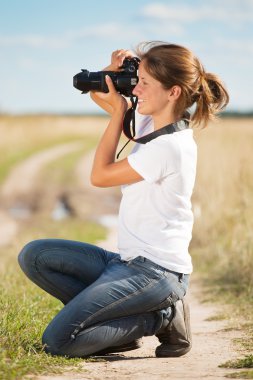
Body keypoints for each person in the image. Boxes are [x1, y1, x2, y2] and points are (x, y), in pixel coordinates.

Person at [18, 42, 229, 358]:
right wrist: (110, 72)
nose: (136, 89)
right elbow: (101, 94)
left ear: (173, 92)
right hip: (125, 263)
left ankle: (161, 317)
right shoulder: (153, 122)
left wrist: (119, 111)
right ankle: (116, 331)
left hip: (156, 274)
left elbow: (100, 176)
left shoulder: (169, 146)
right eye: (137, 79)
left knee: (57, 342)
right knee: (35, 255)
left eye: (144, 83)